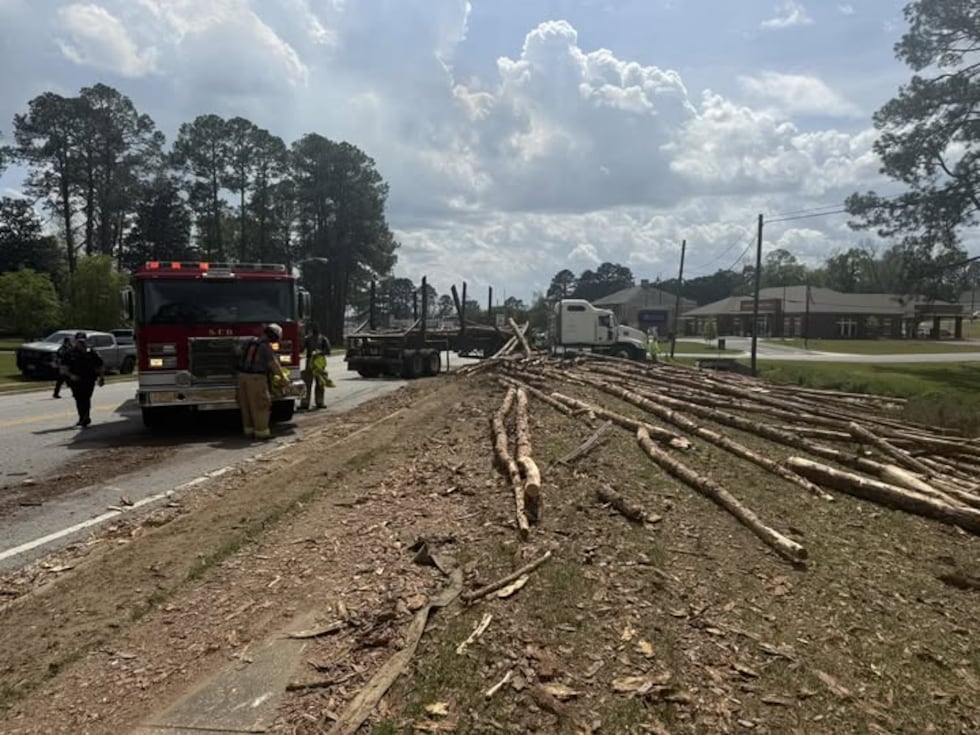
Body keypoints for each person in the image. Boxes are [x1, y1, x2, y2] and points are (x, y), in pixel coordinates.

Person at [236, 323, 283, 440]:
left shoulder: (249, 342)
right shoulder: (265, 346)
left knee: (246, 406)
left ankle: (249, 430)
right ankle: (262, 433)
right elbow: (274, 365)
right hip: (256, 379)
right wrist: (284, 380)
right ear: (273, 336)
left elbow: (238, 355)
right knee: (261, 405)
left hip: (242, 377)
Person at [61, 332, 105, 427]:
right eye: (79, 341)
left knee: (86, 398)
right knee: (79, 399)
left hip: (89, 379)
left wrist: (101, 378)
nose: (81, 343)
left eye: (83, 341)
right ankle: (83, 417)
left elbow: (100, 365)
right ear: (75, 341)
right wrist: (71, 375)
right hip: (75, 380)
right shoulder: (69, 353)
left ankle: (85, 417)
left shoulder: (92, 352)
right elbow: (63, 369)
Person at [299, 323, 332, 411]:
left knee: (320, 383)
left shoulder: (323, 339)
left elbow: (328, 351)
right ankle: (305, 403)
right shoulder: (307, 339)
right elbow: (301, 349)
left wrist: (319, 352)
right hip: (310, 363)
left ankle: (320, 402)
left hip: (319, 363)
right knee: (307, 384)